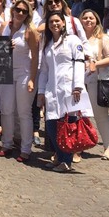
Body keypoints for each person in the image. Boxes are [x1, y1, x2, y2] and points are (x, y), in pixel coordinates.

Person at [37, 11, 87, 173]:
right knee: (52, 126)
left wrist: (78, 86)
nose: (54, 24)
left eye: (57, 21)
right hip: (52, 90)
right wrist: (41, 91)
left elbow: (80, 63)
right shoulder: (48, 43)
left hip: (70, 90)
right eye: (51, 22)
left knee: (68, 125)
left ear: (63, 23)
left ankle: (66, 161)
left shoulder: (73, 40)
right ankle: (59, 156)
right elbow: (44, 70)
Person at [0, 0, 39, 163]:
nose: (20, 13)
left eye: (24, 11)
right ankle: (6, 144)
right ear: (12, 10)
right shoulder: (4, 27)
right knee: (6, 110)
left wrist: (32, 79)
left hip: (24, 73)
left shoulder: (29, 32)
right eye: (18, 10)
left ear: (28, 14)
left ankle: (26, 148)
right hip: (6, 72)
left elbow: (35, 57)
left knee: (23, 112)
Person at [80, 9, 109, 160]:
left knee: (100, 115)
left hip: (99, 81)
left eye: (91, 18)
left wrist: (95, 64)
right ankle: (80, 145)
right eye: (85, 18)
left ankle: (108, 147)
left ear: (96, 20)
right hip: (80, 82)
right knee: (80, 115)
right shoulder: (77, 38)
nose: (88, 20)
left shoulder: (103, 38)